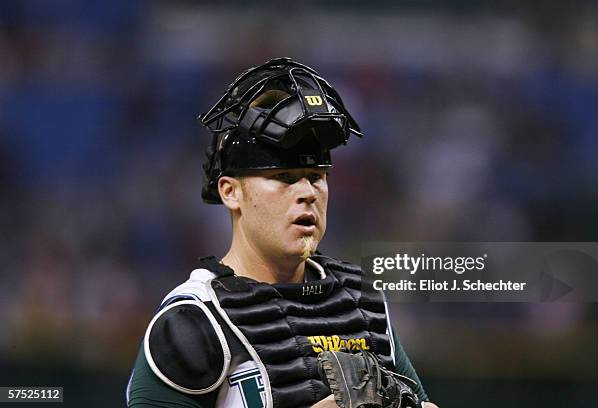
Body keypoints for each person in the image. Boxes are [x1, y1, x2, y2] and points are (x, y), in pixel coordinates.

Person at [126, 58, 439, 408]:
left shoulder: (361, 303)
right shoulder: (194, 322)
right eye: (284, 178)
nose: (307, 192)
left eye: (317, 176)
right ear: (231, 192)